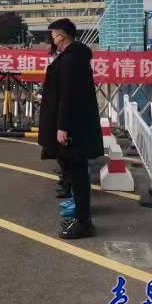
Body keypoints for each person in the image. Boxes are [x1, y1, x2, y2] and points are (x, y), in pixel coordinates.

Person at [38, 18, 104, 239]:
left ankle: (84, 223)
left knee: (77, 174)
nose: (51, 39)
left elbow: (69, 95)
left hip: (72, 128)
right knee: (75, 174)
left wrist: (62, 126)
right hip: (73, 125)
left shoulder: (71, 59)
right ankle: (81, 218)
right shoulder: (72, 57)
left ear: (62, 35)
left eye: (53, 35)